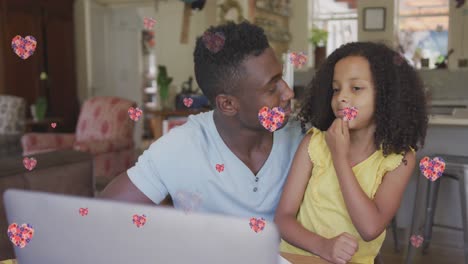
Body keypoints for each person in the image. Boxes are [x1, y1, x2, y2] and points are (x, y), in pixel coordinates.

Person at [100, 21, 304, 222]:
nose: (288, 92)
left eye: (281, 78)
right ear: (228, 104)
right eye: (271, 88)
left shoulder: (303, 138)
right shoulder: (183, 146)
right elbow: (104, 215)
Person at [274, 42, 428, 264]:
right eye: (336, 89)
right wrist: (323, 247)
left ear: (386, 95)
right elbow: (283, 218)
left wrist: (340, 157)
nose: (342, 98)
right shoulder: (314, 142)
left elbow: (370, 228)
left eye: (356, 88)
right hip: (294, 258)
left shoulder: (400, 159)